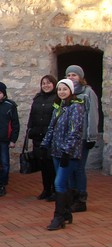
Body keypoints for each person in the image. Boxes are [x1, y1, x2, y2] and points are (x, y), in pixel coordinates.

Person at [40, 79, 85, 230]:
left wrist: (67, 151)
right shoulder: (59, 107)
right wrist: (45, 144)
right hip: (56, 151)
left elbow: (75, 131)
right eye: (59, 89)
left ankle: (58, 217)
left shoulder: (76, 107)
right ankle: (66, 213)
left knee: (58, 183)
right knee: (63, 183)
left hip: (69, 153)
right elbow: (51, 128)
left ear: (71, 91)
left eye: (65, 89)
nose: (61, 92)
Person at [65, 65, 99, 213]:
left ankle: (81, 199)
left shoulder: (87, 92)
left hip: (83, 137)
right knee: (70, 168)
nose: (71, 77)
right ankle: (72, 196)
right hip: (70, 138)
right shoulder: (67, 92)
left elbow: (93, 115)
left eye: (74, 75)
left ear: (80, 77)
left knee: (79, 168)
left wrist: (92, 136)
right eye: (69, 75)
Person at [27, 75, 58, 200]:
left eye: (49, 83)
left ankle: (55, 190)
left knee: (52, 164)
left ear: (54, 84)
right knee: (43, 164)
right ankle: (46, 189)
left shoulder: (57, 99)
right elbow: (32, 115)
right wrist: (30, 129)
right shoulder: (37, 98)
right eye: (43, 83)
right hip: (38, 135)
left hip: (50, 137)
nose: (46, 85)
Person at [0, 82, 19, 197]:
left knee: (4, 162)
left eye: (0, 93)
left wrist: (13, 140)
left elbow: (15, 124)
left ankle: (2, 183)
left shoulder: (10, 106)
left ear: (4, 94)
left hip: (4, 139)